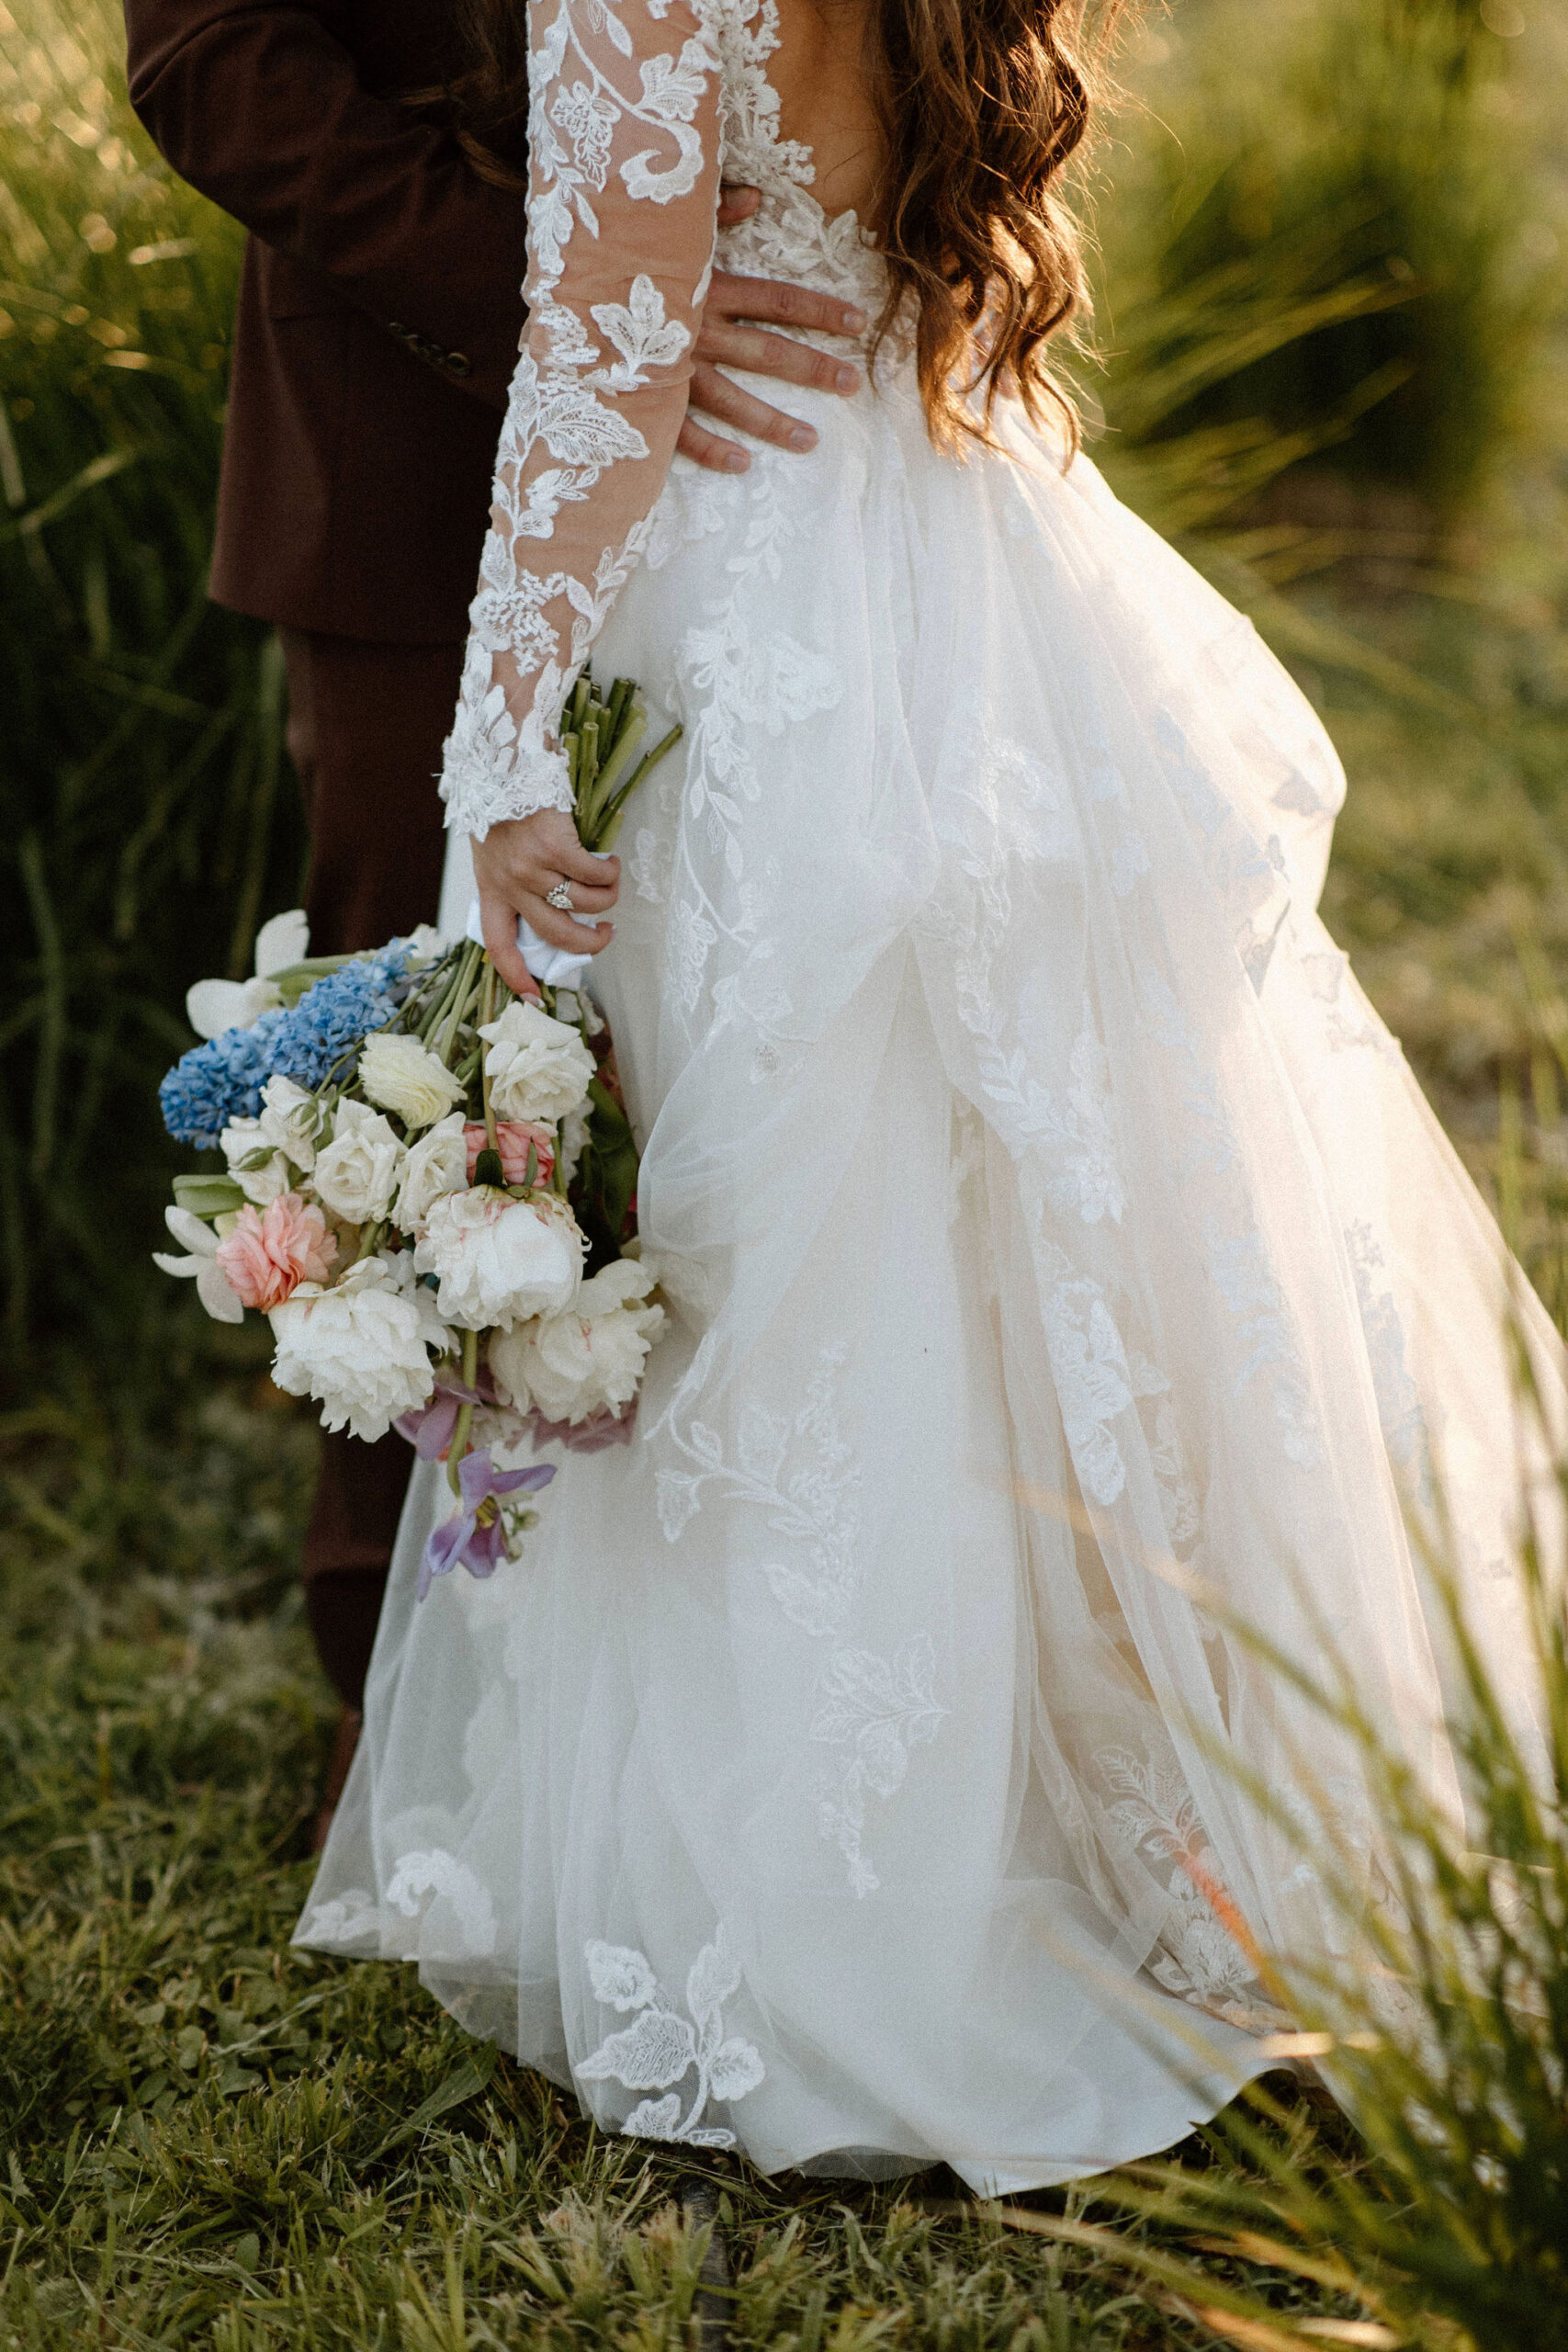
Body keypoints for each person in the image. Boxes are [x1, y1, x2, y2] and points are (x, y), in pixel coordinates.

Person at [297, 0, 1564, 2187]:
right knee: (1016, 1190)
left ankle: (849, 1911)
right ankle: (1167, 1801)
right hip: (958, 556)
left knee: (793, 1236)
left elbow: (600, 370)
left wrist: (501, 747)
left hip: (744, 618)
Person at [120, 0, 869, 1770]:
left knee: (764, 1066)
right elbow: (208, 56)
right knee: (433, 1067)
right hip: (407, 442)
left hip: (770, 485)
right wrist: (598, 289)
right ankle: (405, 1703)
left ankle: (724, 1684)